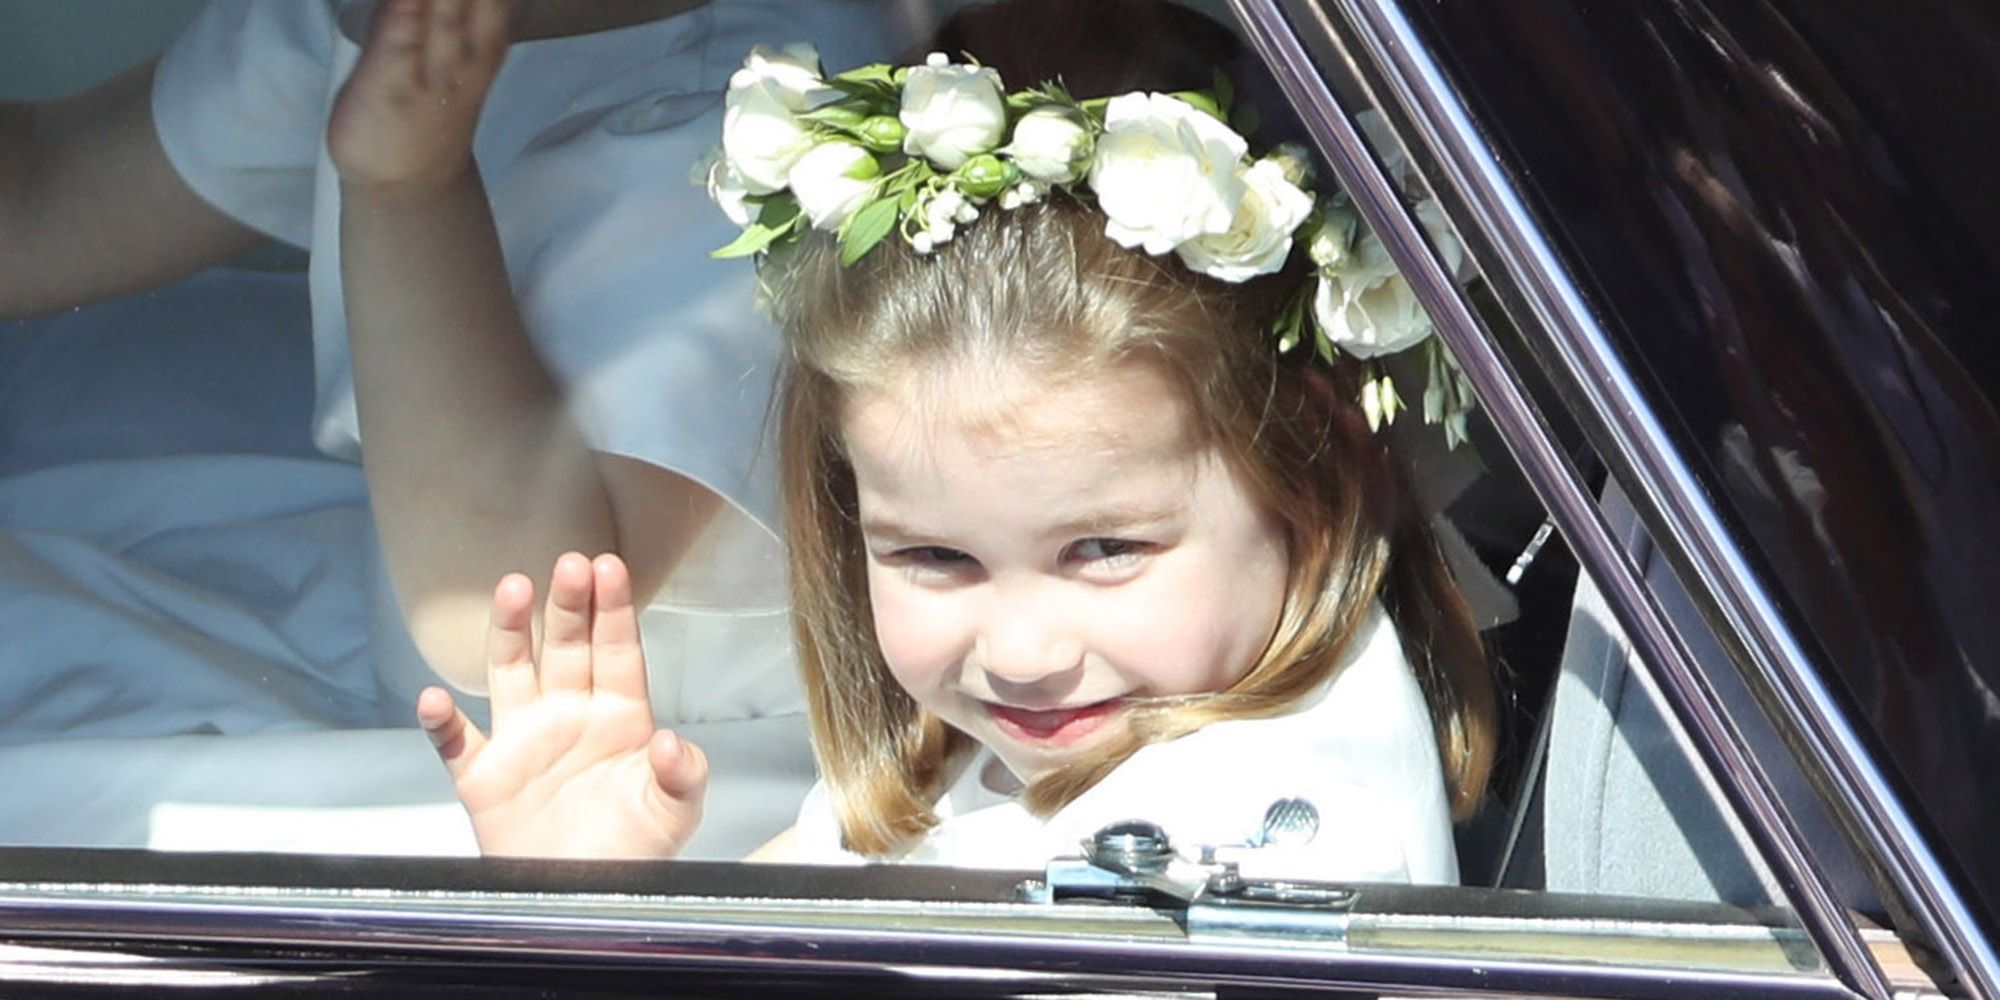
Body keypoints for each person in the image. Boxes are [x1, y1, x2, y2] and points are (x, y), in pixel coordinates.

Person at [415, 0, 1499, 882]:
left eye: (1103, 549)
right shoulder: (1026, 757)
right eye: (934, 556)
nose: (1020, 652)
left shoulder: (1223, 850)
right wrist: (585, 898)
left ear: (1311, 472)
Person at [0, 0, 884, 856]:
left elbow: (529, 611)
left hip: (641, 803)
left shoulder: (767, 121)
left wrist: (408, 186)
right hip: (421, 707)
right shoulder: (370, 25)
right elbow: (44, 198)